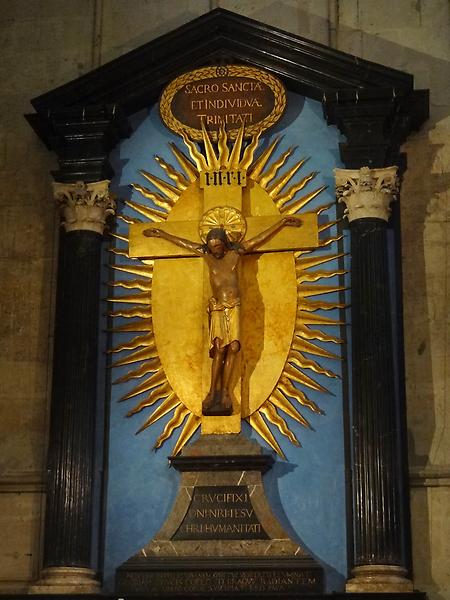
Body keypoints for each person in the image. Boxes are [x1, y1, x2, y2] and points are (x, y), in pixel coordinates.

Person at [143, 214, 301, 416]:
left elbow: (258, 239)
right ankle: (212, 392)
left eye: (217, 246)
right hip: (218, 307)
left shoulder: (236, 254)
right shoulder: (207, 256)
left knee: (233, 348)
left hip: (234, 306)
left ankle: (226, 392)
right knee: (219, 349)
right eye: (211, 247)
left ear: (225, 244)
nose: (214, 250)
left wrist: (281, 223)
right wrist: (162, 234)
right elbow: (185, 244)